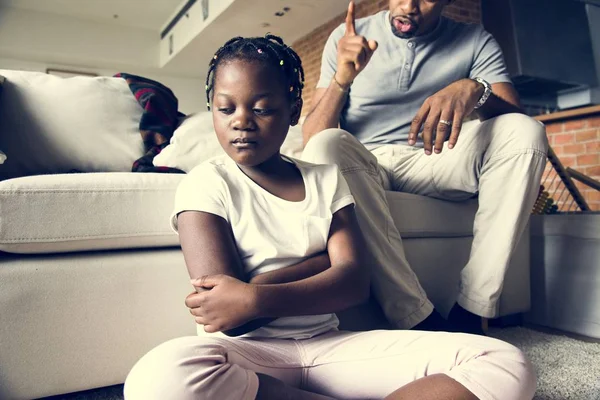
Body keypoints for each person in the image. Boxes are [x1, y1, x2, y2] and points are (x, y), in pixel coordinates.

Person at [123, 34, 536, 400]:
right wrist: (322, 266)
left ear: (292, 110)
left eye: (263, 108)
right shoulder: (204, 183)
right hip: (247, 355)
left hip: (330, 347)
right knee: (157, 379)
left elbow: (354, 284)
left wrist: (253, 295)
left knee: (504, 362)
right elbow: (226, 319)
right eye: (225, 108)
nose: (241, 122)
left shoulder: (325, 178)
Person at [301, 0, 549, 335]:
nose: (409, 6)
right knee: (325, 144)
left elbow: (513, 115)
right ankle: (416, 317)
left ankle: (473, 310)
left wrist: (475, 90)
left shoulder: (474, 39)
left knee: (526, 132)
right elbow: (312, 139)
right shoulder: (349, 36)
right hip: (365, 162)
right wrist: (341, 79)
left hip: (435, 158)